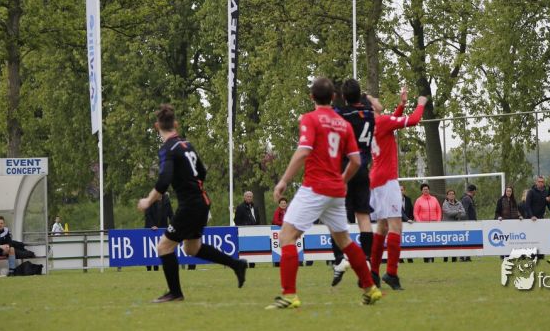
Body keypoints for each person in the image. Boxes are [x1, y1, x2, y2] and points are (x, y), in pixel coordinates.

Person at [267, 77, 380, 309]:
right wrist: (342, 180)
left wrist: (284, 181)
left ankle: (289, 295)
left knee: (287, 237)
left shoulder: (310, 118)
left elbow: (303, 152)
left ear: (312, 97)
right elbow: (356, 160)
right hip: (336, 191)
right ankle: (370, 288)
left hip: (315, 187)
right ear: (333, 97)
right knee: (345, 240)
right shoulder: (343, 124)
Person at [137, 104, 247, 303]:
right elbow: (202, 172)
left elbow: (164, 180)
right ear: (176, 124)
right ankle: (236, 264)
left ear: (156, 126)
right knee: (192, 249)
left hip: (190, 206)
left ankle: (175, 293)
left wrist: (147, 201)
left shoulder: (167, 150)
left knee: (164, 247)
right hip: (202, 201)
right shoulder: (187, 145)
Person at [369, 88, 427, 290]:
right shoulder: (382, 121)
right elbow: (413, 121)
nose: (378, 100)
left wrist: (402, 105)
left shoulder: (370, 125)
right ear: (371, 107)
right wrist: (421, 103)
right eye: (374, 99)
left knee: (382, 227)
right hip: (387, 179)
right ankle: (391, 273)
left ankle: (373, 273)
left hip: (376, 179)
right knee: (396, 227)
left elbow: (391, 122)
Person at [329, 79, 377, 287]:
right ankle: (366, 258)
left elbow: (328, 114)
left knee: (335, 215)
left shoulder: (343, 114)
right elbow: (377, 106)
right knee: (363, 216)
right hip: (363, 169)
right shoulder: (369, 113)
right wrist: (368, 97)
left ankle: (339, 258)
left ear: (344, 97)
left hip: (346, 168)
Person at [144, 193, 175, 272]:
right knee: (149, 250)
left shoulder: (166, 200)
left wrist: (173, 224)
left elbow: (171, 214)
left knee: (160, 248)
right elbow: (147, 214)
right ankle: (148, 268)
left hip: (162, 228)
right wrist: (152, 225)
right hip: (150, 228)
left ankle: (156, 268)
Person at [441, 189, 465, 264]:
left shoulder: (459, 203)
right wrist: (458, 212)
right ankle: (445, 260)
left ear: (455, 195)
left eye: (453, 194)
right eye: (450, 194)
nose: (451, 195)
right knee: (446, 244)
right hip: (446, 227)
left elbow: (464, 213)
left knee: (455, 243)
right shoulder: (445, 204)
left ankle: (454, 260)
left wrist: (457, 213)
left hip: (456, 226)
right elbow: (449, 213)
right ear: (447, 196)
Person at [459, 184, 477, 261]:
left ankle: (467, 256)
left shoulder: (468, 198)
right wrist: (466, 222)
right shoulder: (467, 198)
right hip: (467, 223)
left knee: (468, 240)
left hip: (469, 222)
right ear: (474, 191)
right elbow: (464, 211)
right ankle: (463, 257)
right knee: (465, 239)